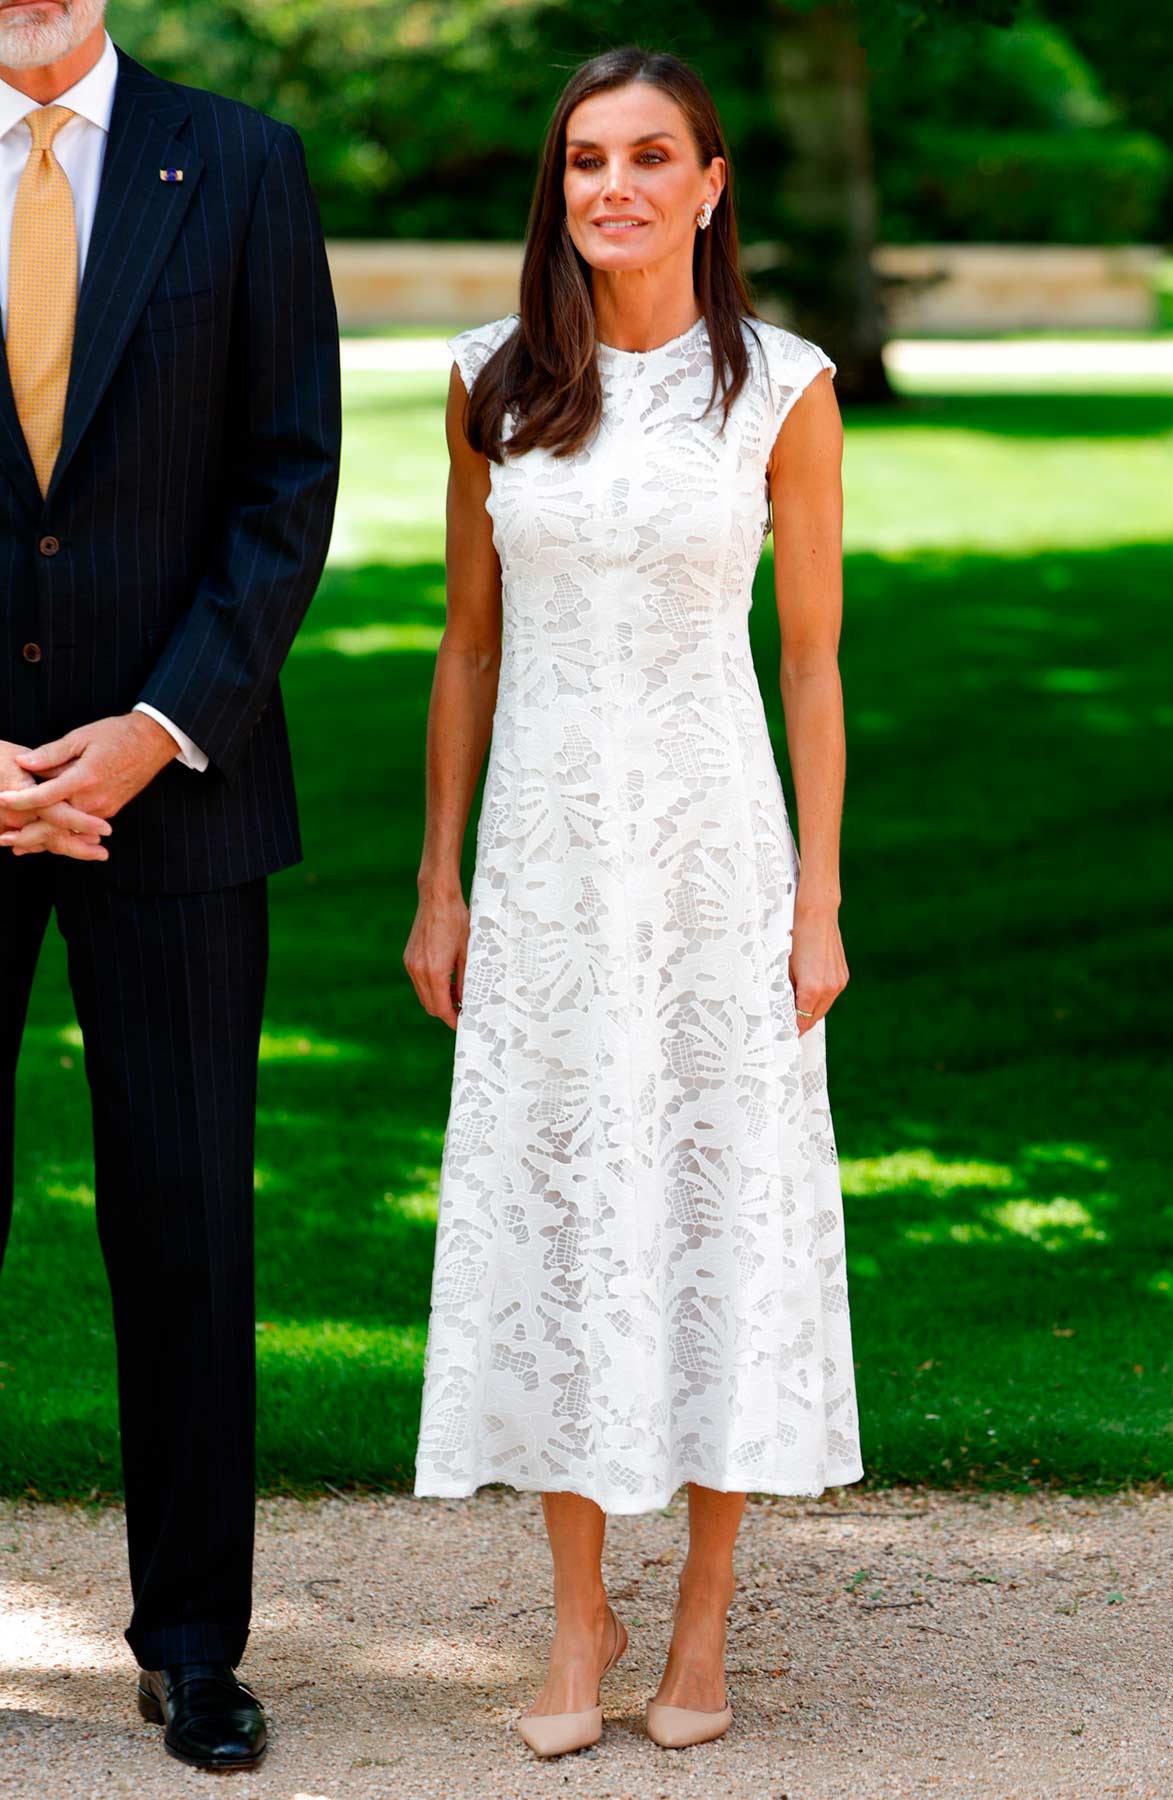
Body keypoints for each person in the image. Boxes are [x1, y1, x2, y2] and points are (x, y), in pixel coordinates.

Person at [404, 43, 862, 1758]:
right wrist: (440, 878)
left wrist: (817, 898)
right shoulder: (492, 382)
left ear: (712, 181)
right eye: (587, 159)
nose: (615, 187)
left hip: (716, 853)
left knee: (721, 1201)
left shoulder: (784, 388)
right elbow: (467, 642)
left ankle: (702, 1629)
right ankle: (573, 1623)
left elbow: (811, 662)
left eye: (651, 156)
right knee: (562, 1205)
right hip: (541, 859)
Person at [0, 0, 340, 1772]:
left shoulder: (247, 164)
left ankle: (194, 1646)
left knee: (191, 1228)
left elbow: (288, 488)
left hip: (178, 796)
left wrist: (154, 726)